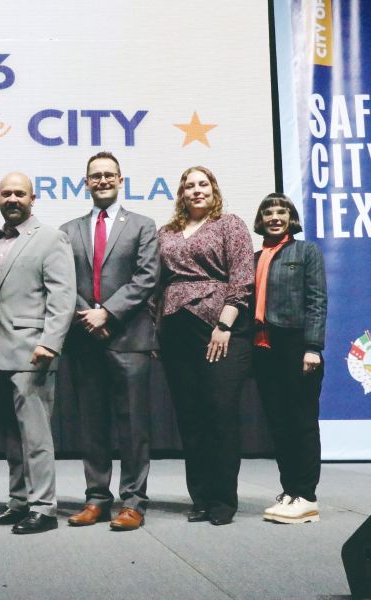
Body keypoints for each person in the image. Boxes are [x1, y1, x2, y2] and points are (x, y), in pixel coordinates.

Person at [60, 152, 160, 531]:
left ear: (120, 180)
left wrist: (108, 313)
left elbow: (146, 277)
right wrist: (88, 314)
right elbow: (62, 281)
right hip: (85, 338)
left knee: (133, 427)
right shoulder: (68, 230)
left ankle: (133, 502)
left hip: (129, 337)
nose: (102, 180)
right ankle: (97, 499)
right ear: (86, 183)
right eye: (95, 176)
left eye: (108, 175)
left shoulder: (142, 225)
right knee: (92, 426)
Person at [157, 166, 254, 526]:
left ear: (214, 189)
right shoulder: (166, 232)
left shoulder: (230, 224)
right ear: (181, 193)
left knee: (220, 414)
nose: (196, 190)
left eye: (203, 184)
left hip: (218, 329)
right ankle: (200, 498)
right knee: (191, 417)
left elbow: (242, 277)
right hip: (174, 329)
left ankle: (222, 500)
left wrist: (224, 325)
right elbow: (157, 282)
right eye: (189, 186)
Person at [0, 172, 75, 534]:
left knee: (36, 436)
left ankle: (44, 508)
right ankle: (19, 502)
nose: (12, 199)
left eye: (19, 193)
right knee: (11, 436)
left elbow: (62, 295)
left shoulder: (51, 238)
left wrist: (50, 342)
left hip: (33, 351)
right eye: (6, 194)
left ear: (32, 198)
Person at [252, 193, 326, 524]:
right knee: (279, 424)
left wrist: (313, 346)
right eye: (268, 212)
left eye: (281, 211)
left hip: (297, 347)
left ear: (290, 218)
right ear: (261, 220)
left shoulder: (306, 251)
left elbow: (317, 301)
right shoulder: (255, 257)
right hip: (264, 350)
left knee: (302, 422)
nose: (275, 217)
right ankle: (289, 491)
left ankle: (307, 496)